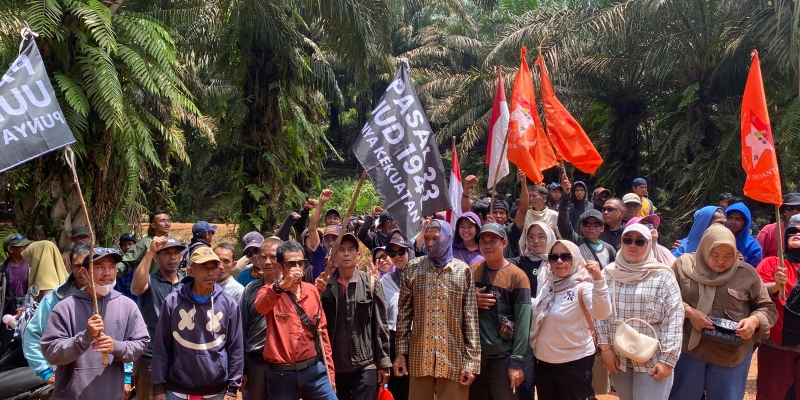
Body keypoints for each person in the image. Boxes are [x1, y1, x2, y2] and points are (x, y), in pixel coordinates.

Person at [669, 225, 776, 400]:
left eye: (728, 256)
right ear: (704, 250)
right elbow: (666, 300)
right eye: (715, 255)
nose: (721, 261)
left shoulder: (747, 274)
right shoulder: (683, 267)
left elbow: (768, 308)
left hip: (730, 355)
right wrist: (689, 312)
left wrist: (754, 321)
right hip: (688, 350)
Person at [41, 247, 149, 400]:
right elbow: (51, 353)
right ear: (85, 272)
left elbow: (141, 343)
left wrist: (116, 347)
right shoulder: (65, 308)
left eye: (112, 267)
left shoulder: (127, 306)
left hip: (111, 394)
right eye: (99, 267)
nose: (107, 273)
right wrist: (85, 338)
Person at [596, 224, 684, 400]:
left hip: (652, 359)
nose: (632, 245)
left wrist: (668, 360)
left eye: (639, 241)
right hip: (619, 357)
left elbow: (674, 318)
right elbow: (600, 313)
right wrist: (605, 348)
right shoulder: (609, 273)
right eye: (627, 240)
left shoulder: (663, 276)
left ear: (649, 244)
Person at [394, 219, 481, 398]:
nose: (430, 243)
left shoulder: (462, 271)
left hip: (454, 358)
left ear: (447, 238)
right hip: (420, 357)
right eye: (427, 239)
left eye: (435, 238)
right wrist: (401, 353)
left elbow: (470, 319)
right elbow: (403, 316)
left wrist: (471, 362)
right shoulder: (412, 269)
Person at [151, 246, 243, 400]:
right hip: (178, 389)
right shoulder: (172, 302)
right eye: (204, 267)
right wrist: (159, 388)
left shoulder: (229, 304)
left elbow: (236, 348)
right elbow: (162, 346)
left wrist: (233, 389)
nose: (211, 272)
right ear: (191, 271)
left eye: (214, 267)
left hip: (217, 390)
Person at [254, 241, 337, 399]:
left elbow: (322, 333)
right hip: (282, 375)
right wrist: (282, 285)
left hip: (313, 371)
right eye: (291, 264)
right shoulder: (269, 291)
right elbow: (261, 307)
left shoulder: (312, 291)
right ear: (280, 267)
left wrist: (330, 374)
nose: (297, 268)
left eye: (301, 263)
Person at [530, 240, 610, 400]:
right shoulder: (548, 284)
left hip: (574, 365)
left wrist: (599, 281)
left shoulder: (583, 287)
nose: (559, 261)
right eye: (554, 257)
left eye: (566, 256)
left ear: (576, 258)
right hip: (543, 364)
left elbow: (602, 313)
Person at [316, 233, 391, 400]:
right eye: (341, 250)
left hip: (365, 365)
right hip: (335, 367)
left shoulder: (371, 284)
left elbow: (381, 326)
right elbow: (317, 325)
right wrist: (317, 294)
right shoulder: (325, 286)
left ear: (358, 255)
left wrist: (383, 363)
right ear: (334, 255)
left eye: (351, 249)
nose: (346, 254)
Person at [470, 223, 532, 400]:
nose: (487, 246)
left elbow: (522, 322)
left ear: (504, 243)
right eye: (483, 241)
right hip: (476, 356)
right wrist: (470, 300)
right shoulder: (472, 271)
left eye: (493, 241)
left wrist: (516, 361)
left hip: (503, 357)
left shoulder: (517, 276)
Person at [23, 243, 93, 385]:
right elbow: (33, 334)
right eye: (77, 266)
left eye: (87, 265)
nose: (82, 271)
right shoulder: (55, 299)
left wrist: (126, 376)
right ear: (70, 267)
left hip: (103, 375)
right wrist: (44, 371)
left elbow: (124, 336)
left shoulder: (110, 298)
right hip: (68, 375)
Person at [130, 236, 186, 400]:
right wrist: (148, 253)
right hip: (151, 357)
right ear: (157, 257)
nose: (173, 257)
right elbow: (136, 288)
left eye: (176, 253)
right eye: (167, 253)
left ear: (182, 257)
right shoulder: (150, 280)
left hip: (181, 358)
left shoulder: (187, 283)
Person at [756, 214, 800, 399]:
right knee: (770, 394)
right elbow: (754, 293)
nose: (797, 233)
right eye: (793, 231)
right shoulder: (772, 263)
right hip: (775, 344)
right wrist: (774, 286)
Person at [240, 237, 284, 398]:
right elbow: (242, 330)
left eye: (273, 257)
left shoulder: (293, 290)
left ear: (282, 258)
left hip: (284, 365)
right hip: (256, 363)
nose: (267, 262)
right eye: (263, 257)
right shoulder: (250, 290)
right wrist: (243, 369)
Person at [380, 237, 412, 400]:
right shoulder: (385, 281)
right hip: (394, 337)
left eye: (401, 251)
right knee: (398, 388)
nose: (398, 256)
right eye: (393, 253)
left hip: (417, 338)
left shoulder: (420, 277)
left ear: (409, 252)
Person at [117, 210, 171, 275]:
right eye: (162, 221)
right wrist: (114, 271)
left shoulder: (172, 242)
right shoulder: (146, 243)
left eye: (168, 220)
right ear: (153, 225)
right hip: (151, 283)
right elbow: (127, 262)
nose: (167, 224)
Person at [758, 193, 800, 258]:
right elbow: (758, 257)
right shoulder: (769, 231)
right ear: (784, 211)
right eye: (790, 208)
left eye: (799, 208)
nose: (795, 211)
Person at [557, 175, 591, 240]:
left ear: (585, 192)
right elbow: (564, 226)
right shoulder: (571, 211)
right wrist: (566, 194)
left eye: (581, 190)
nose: (579, 192)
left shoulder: (593, 208)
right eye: (577, 190)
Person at [114, 233, 139, 302]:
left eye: (130, 244)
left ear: (135, 245)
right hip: (120, 300)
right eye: (124, 245)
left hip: (137, 301)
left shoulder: (141, 262)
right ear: (121, 247)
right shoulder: (118, 263)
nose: (127, 247)